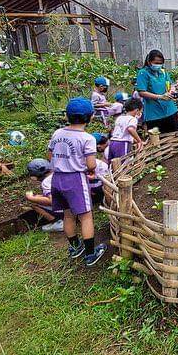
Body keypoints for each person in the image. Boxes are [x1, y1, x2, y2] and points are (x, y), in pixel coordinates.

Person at [48, 97, 107, 266]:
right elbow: (91, 164)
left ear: (67, 116)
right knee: (86, 216)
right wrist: (89, 170)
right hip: (75, 179)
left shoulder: (57, 133)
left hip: (57, 178)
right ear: (91, 117)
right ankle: (90, 254)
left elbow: (50, 156)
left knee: (68, 214)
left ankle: (75, 247)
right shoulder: (87, 138)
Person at [136, 49, 178, 133]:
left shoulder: (163, 72)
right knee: (157, 140)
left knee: (175, 134)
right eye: (156, 63)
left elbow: (170, 84)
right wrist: (160, 97)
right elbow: (141, 92)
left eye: (160, 63)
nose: (158, 65)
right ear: (149, 61)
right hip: (154, 114)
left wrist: (171, 91)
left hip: (170, 110)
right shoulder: (143, 73)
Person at [24, 158, 64, 232]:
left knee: (33, 203)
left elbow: (52, 201)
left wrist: (30, 198)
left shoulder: (46, 182)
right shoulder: (58, 174)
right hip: (76, 206)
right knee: (37, 198)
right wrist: (38, 196)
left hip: (65, 210)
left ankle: (58, 222)